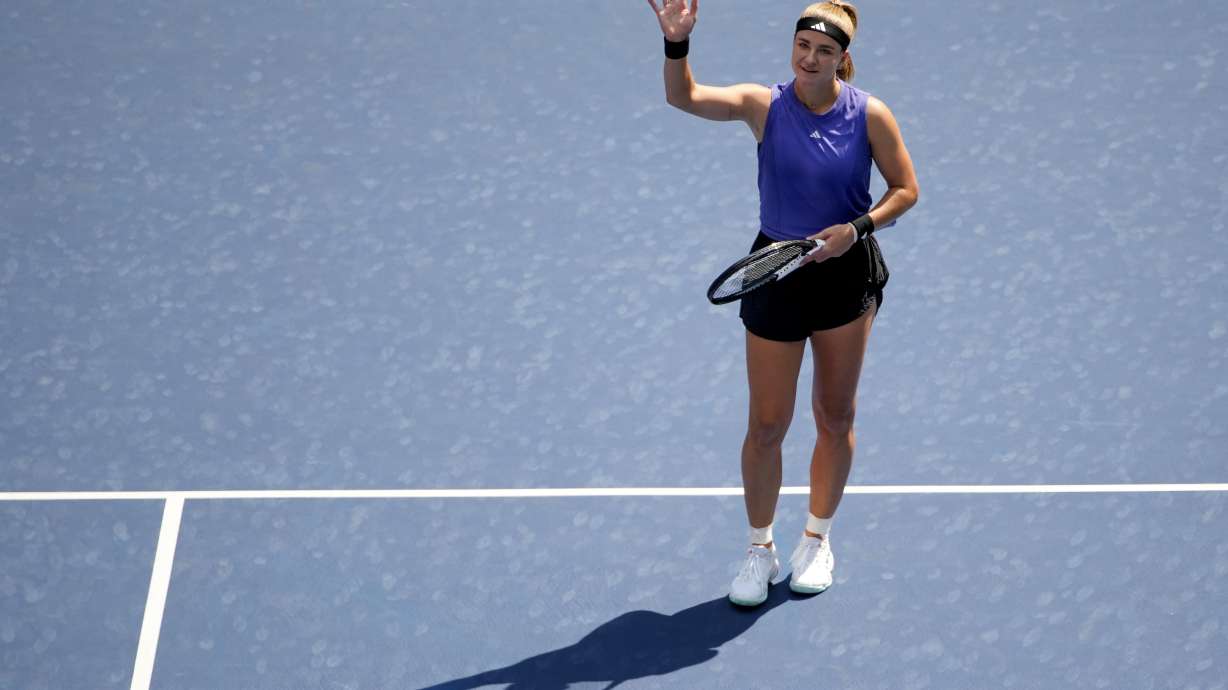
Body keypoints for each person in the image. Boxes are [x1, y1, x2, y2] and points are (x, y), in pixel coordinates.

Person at [646, 0, 919, 606]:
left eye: (824, 51)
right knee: (767, 424)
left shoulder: (870, 114)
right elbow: (682, 96)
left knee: (835, 415)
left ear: (842, 59)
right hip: (776, 271)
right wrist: (676, 43)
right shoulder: (762, 105)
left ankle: (817, 538)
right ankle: (760, 549)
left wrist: (858, 227)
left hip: (845, 274)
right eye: (802, 47)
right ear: (792, 49)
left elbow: (906, 189)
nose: (810, 58)